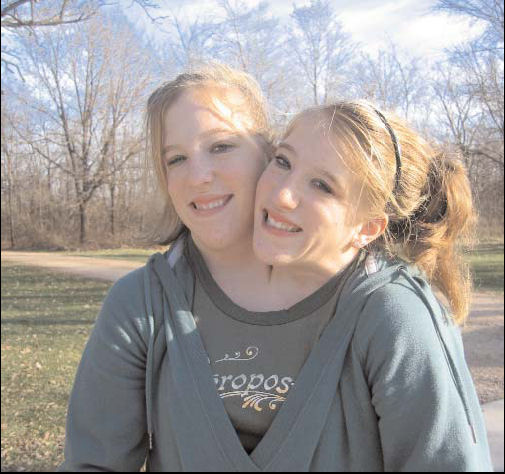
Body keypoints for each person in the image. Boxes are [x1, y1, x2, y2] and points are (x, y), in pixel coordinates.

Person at [251, 101, 493, 471]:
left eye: (322, 185)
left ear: (367, 228)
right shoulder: (243, 292)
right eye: (283, 161)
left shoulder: (398, 316)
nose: (282, 194)